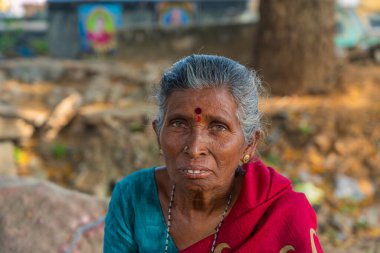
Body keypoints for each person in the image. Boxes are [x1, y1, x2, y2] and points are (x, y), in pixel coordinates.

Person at [104, 55, 324, 253]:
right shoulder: (133, 197)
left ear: (249, 144)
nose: (195, 147)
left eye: (218, 127)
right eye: (179, 124)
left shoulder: (281, 213)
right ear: (157, 133)